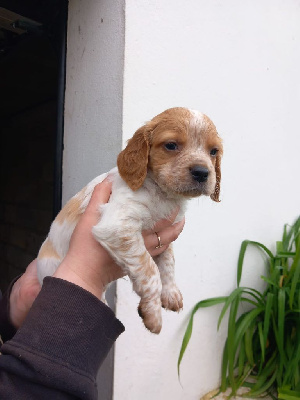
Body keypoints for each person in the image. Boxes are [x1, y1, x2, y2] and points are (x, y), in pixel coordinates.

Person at [0, 179, 185, 399]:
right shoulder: (133, 184)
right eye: (171, 146)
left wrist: (20, 298)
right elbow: (114, 229)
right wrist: (86, 276)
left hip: (44, 278)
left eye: (213, 153)